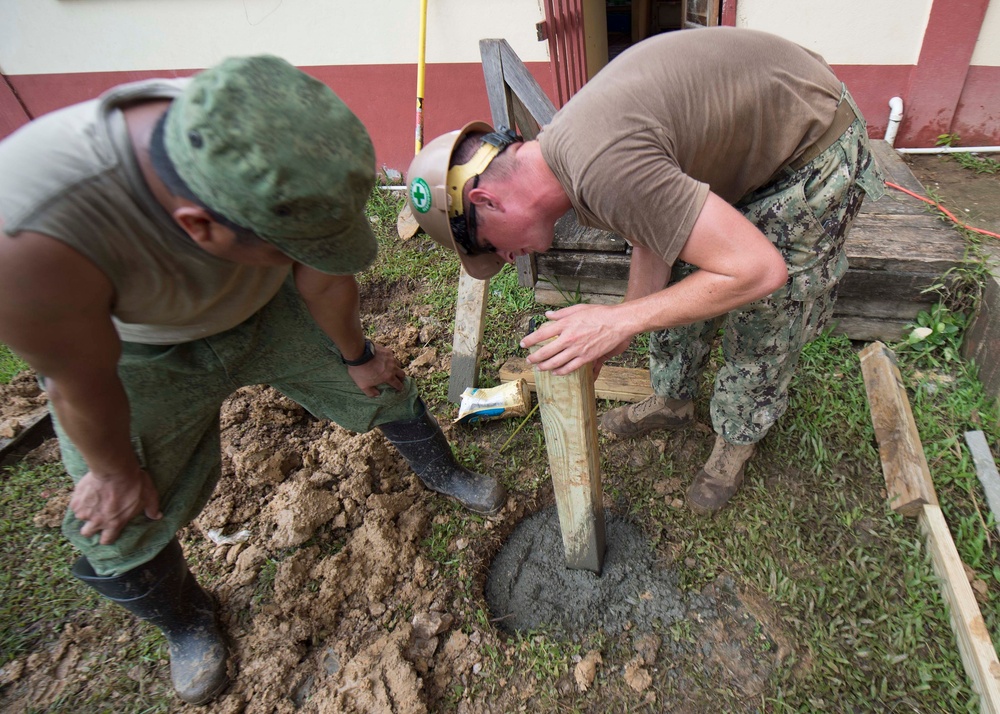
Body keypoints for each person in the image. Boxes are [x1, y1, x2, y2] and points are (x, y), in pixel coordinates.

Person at [0, 55, 506, 705]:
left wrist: (357, 357)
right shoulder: (33, 235)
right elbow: (78, 379)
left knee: (379, 385)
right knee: (118, 518)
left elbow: (323, 275)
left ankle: (444, 473)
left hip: (269, 307)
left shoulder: (278, 140)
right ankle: (186, 622)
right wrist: (113, 470)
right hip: (135, 351)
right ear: (198, 226)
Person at [406, 27, 884, 518]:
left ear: (487, 200)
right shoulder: (568, 161)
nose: (507, 259)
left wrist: (618, 320)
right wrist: (625, 325)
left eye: (492, 247)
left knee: (766, 312)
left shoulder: (600, 167)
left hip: (809, 146)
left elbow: (761, 271)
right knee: (677, 284)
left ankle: (735, 441)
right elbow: (652, 232)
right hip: (752, 136)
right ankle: (673, 401)